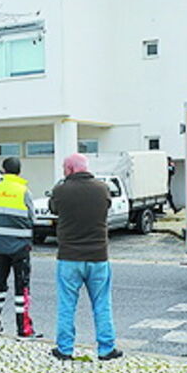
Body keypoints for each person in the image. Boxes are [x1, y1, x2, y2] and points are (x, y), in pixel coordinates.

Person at [48, 153, 121, 361]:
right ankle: (107, 349)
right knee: (102, 303)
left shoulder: (61, 191)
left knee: (67, 305)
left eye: (64, 167)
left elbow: (54, 209)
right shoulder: (102, 189)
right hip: (98, 256)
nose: (63, 171)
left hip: (69, 257)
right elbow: (106, 207)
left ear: (70, 169)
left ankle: (65, 349)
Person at [0, 157, 39, 338]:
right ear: (19, 171)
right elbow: (32, 218)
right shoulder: (23, 191)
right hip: (20, 246)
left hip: (0, 245)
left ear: (3, 170)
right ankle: (23, 330)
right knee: (21, 288)